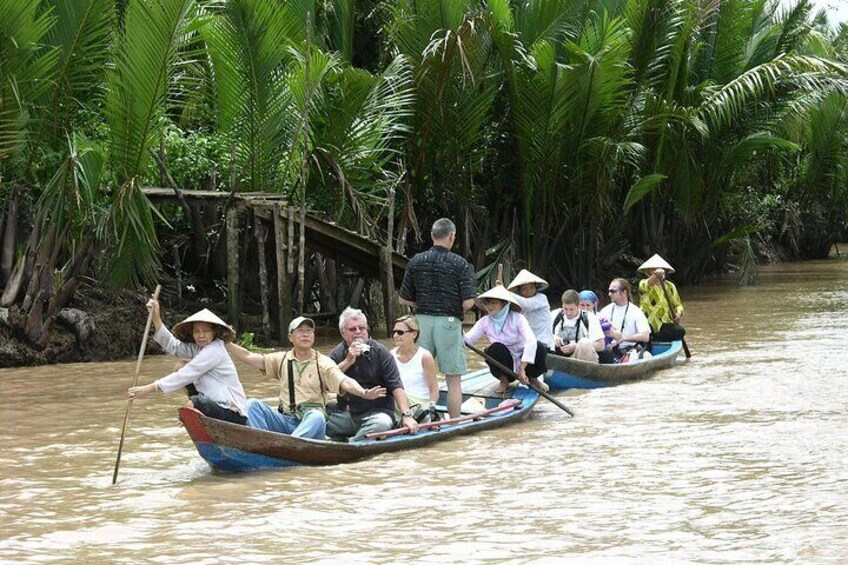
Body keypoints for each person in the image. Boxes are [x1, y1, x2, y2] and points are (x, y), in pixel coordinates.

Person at [226, 316, 386, 439]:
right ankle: (261, 443)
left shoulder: (323, 362)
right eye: (300, 331)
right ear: (290, 337)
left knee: (317, 416)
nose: (305, 335)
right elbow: (249, 356)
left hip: (310, 423)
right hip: (286, 419)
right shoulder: (281, 359)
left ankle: (289, 447)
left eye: (309, 331)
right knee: (252, 404)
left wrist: (364, 393)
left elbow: (344, 381)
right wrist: (226, 342)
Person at [399, 218, 477, 418]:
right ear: (452, 236)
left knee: (420, 373)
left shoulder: (416, 261)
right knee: (453, 380)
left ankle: (413, 416)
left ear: (432, 236)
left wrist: (424, 305)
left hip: (420, 322)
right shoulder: (460, 263)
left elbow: (403, 298)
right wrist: (449, 307)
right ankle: (453, 424)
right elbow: (469, 303)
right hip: (449, 323)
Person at [127, 301, 248, 425]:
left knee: (195, 401)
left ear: (214, 332)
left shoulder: (215, 350)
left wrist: (149, 388)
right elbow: (173, 346)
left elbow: (187, 373)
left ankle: (193, 410)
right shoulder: (198, 349)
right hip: (214, 404)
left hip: (232, 412)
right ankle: (194, 412)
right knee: (180, 366)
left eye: (205, 331)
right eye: (197, 331)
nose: (201, 335)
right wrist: (156, 318)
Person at [327, 308, 419, 441]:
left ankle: (350, 445)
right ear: (343, 333)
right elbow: (326, 383)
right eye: (353, 329)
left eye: (362, 328)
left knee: (381, 424)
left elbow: (396, 386)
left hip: (375, 414)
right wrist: (348, 361)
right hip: (346, 414)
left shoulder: (380, 352)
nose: (358, 332)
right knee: (317, 420)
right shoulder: (337, 354)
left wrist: (407, 415)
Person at [464, 285, 548, 393]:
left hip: (525, 364)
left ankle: (533, 378)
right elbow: (468, 340)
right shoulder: (484, 321)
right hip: (505, 367)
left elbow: (531, 341)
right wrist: (457, 329)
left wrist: (522, 368)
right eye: (488, 303)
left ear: (504, 304)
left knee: (539, 346)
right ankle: (504, 381)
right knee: (493, 349)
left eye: (494, 303)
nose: (490, 306)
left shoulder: (518, 318)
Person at [390, 315, 439, 421]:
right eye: (394, 332)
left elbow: (434, 390)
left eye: (400, 332)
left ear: (414, 334)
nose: (395, 335)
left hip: (418, 404)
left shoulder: (425, 356)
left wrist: (430, 409)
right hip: (399, 400)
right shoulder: (391, 355)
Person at [598, 278, 651, 362]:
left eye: (612, 291)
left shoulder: (636, 311)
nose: (609, 294)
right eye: (609, 291)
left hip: (629, 350)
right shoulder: (605, 310)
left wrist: (624, 338)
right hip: (609, 350)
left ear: (624, 292)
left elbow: (645, 336)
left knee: (646, 356)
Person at [637, 254, 686, 341]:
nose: (658, 272)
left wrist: (678, 314)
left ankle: (653, 338)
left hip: (665, 324)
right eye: (654, 269)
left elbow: (678, 305)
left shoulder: (670, 286)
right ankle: (650, 338)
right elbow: (648, 284)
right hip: (648, 323)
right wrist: (656, 276)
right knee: (646, 330)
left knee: (680, 331)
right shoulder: (643, 283)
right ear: (649, 272)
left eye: (661, 270)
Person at [550, 290, 605, 363]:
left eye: (571, 309)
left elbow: (601, 345)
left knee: (584, 343)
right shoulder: (554, 315)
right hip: (558, 358)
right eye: (565, 309)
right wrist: (553, 338)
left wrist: (576, 346)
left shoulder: (589, 317)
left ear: (578, 306)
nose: (568, 313)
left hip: (581, 359)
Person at [506, 269, 553, 348]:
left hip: (543, 343)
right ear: (519, 291)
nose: (529, 291)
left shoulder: (541, 298)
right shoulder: (518, 304)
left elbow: (528, 305)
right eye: (525, 288)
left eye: (531, 287)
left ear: (535, 287)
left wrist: (507, 293)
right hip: (527, 344)